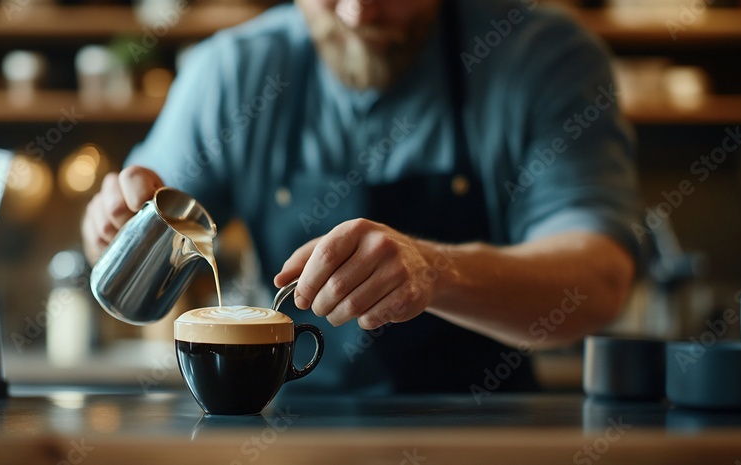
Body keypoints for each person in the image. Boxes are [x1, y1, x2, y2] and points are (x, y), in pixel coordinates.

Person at [82, 0, 640, 395]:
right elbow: (142, 226)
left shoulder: (541, 57)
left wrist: (436, 271)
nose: (357, 13)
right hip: (288, 438)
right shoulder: (235, 72)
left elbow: (600, 279)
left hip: (485, 432)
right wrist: (113, 228)